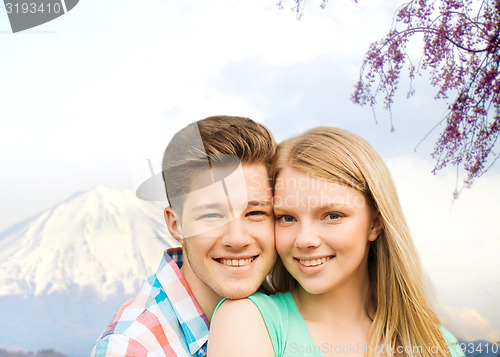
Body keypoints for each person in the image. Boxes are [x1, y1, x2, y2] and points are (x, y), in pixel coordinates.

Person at [208, 127, 465, 357]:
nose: (305, 239)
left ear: (374, 223)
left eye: (332, 215)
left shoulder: (439, 342)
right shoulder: (248, 321)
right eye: (287, 218)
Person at [91, 115, 277, 356]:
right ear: (176, 224)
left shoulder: (289, 311)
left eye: (255, 212)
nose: (237, 239)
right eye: (212, 215)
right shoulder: (134, 347)